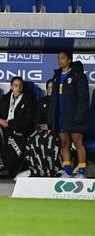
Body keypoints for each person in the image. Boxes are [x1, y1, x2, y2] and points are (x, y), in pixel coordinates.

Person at [48, 50, 90, 178]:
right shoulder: (57, 76)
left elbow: (83, 98)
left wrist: (79, 116)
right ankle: (67, 172)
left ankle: (82, 172)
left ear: (69, 60)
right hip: (61, 117)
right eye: (58, 58)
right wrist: (52, 117)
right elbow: (54, 99)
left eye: (62, 58)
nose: (59, 60)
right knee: (64, 143)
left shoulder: (78, 76)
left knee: (78, 143)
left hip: (75, 117)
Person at [22, 80, 65, 177]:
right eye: (48, 87)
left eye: (52, 87)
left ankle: (53, 169)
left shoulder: (62, 102)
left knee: (49, 139)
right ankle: (35, 169)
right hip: (42, 129)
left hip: (56, 129)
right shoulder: (42, 101)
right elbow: (37, 118)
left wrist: (50, 126)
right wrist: (39, 126)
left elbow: (62, 118)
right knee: (32, 138)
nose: (50, 89)